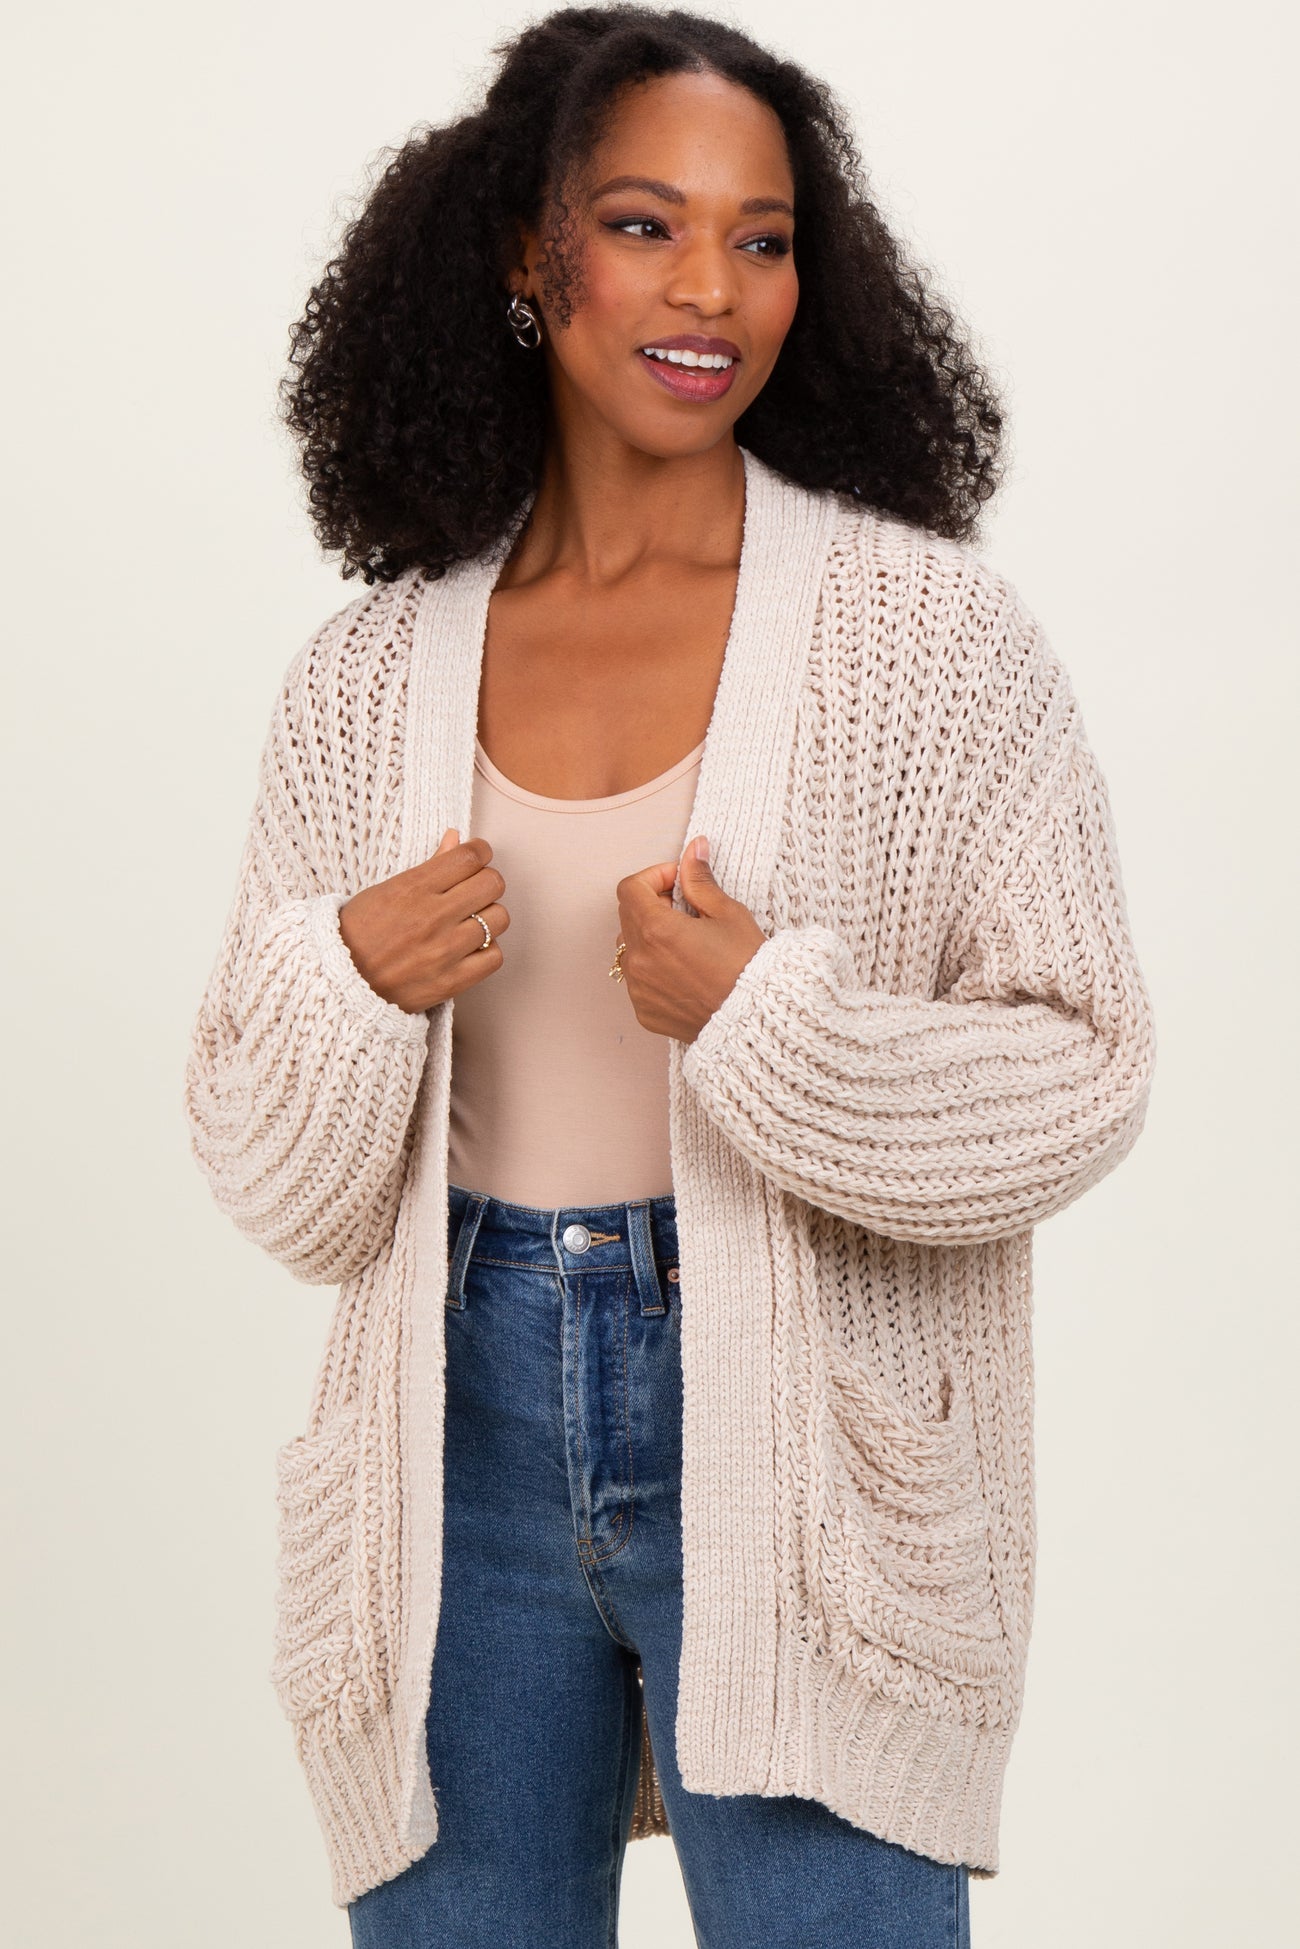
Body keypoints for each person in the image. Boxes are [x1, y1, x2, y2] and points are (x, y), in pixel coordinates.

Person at [183, 8, 1156, 1946]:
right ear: (526, 253)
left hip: (806, 1461)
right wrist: (349, 977)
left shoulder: (929, 640)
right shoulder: (367, 676)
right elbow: (268, 1176)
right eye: (644, 224)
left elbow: (1086, 1067)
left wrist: (770, 1021)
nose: (711, 286)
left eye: (762, 237)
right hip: (450, 1448)